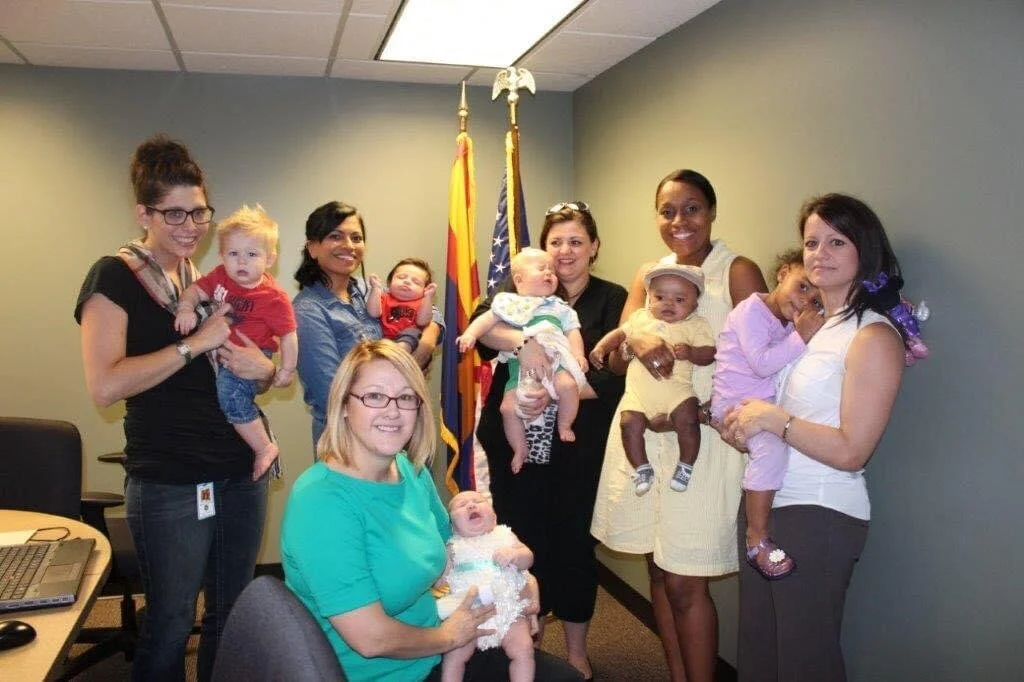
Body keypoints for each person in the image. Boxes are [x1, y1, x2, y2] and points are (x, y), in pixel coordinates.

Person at [75, 134, 274, 681]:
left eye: (200, 212)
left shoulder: (200, 282)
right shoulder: (113, 277)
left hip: (238, 470)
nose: (191, 226)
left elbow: (247, 362)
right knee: (171, 617)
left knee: (230, 615)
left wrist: (268, 371)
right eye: (175, 214)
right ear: (144, 213)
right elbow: (105, 387)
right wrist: (194, 343)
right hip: (170, 477)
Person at [279, 339, 582, 682]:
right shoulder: (321, 502)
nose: (393, 411)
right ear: (344, 405)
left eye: (406, 397)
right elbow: (370, 639)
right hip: (384, 672)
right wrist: (451, 635)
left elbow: (452, 550)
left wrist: (520, 580)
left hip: (442, 645)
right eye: (374, 396)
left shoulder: (409, 470)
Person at [590, 170, 768, 682]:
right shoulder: (649, 273)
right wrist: (635, 342)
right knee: (659, 573)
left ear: (712, 212)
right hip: (642, 436)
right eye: (667, 210)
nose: (679, 220)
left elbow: (760, 365)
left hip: (702, 438)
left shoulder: (736, 271)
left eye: (691, 208)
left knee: (687, 580)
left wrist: (707, 409)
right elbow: (617, 363)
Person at [724, 194, 910, 681]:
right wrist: (742, 425)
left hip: (819, 515)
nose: (819, 253)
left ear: (864, 252)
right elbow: (773, 417)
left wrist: (773, 420)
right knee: (760, 655)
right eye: (811, 242)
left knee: (806, 664)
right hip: (767, 508)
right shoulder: (806, 330)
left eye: (836, 241)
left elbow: (852, 450)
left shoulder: (873, 336)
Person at [473, 202, 627, 680]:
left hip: (576, 443)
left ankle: (577, 650)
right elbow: (483, 332)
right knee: (518, 542)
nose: (564, 252)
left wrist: (556, 391)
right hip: (513, 437)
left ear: (594, 248)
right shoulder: (513, 288)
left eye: (576, 241)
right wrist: (525, 345)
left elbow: (610, 372)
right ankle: (527, 647)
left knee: (574, 544)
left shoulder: (612, 298)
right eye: (555, 242)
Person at [710, 249, 825, 580]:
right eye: (802, 287)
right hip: (736, 405)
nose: (805, 303)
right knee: (772, 451)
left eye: (816, 300)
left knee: (779, 449)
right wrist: (802, 335)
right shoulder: (752, 311)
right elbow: (762, 363)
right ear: (783, 272)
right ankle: (756, 537)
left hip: (758, 405)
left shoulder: (786, 321)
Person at [292, 201, 442, 447]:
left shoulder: (365, 289)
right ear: (313, 248)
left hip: (393, 427)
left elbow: (424, 310)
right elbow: (330, 393)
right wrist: (402, 377)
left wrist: (426, 342)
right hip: (345, 441)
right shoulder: (308, 310)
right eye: (335, 236)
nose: (349, 246)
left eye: (356, 237)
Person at [174, 203, 297, 479]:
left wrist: (287, 369)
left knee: (230, 396)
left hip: (253, 353)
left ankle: (264, 447)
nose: (241, 261)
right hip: (225, 353)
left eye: (252, 254)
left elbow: (289, 335)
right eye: (233, 253)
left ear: (269, 259)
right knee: (229, 395)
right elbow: (195, 291)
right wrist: (185, 308)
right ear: (221, 256)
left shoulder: (274, 297)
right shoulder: (220, 277)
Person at [458, 247, 588, 473]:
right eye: (541, 269)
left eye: (551, 270)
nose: (549, 273)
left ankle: (565, 424)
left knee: (568, 386)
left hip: (555, 360)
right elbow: (486, 321)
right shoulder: (508, 303)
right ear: (519, 279)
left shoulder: (558, 307)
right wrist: (470, 334)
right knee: (508, 408)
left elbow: (572, 331)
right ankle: (520, 448)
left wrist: (578, 354)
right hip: (519, 367)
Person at [590, 263, 716, 495]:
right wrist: (600, 347)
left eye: (679, 299)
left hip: (677, 393)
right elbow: (619, 335)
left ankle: (685, 465)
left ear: (695, 304)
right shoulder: (640, 318)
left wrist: (691, 353)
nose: (668, 303)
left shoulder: (696, 324)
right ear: (649, 298)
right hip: (639, 395)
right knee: (628, 423)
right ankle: (642, 468)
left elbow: (710, 353)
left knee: (688, 420)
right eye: (660, 297)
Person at [438, 491, 535, 682]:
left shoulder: (505, 535)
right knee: (454, 655)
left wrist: (515, 555)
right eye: (461, 505)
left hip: (508, 610)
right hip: (470, 614)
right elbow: (441, 576)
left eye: (478, 501)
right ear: (453, 526)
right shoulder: (453, 546)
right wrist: (440, 579)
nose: (471, 505)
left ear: (494, 516)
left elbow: (529, 558)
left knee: (524, 648)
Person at [367, 257, 438, 352]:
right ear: (389, 282)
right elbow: (373, 313)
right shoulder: (384, 297)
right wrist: (375, 288)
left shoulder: (423, 303)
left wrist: (428, 297)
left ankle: (401, 350)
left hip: (410, 341)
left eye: (416, 282)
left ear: (424, 290)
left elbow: (422, 322)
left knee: (413, 332)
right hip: (383, 340)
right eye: (401, 277)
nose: (407, 281)